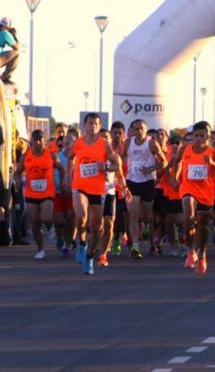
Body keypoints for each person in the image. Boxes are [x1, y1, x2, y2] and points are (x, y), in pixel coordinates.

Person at [67, 113, 120, 274]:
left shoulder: (104, 144)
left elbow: (116, 164)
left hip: (97, 188)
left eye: (96, 124)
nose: (93, 127)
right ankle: (82, 244)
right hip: (79, 186)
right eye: (90, 123)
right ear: (84, 125)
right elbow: (70, 157)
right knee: (81, 215)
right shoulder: (79, 143)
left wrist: (107, 167)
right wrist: (69, 175)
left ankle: (89, 257)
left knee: (96, 227)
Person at [172, 121, 215, 274]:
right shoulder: (185, 149)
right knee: (188, 211)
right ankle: (191, 251)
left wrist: (213, 165)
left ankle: (201, 254)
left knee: (203, 226)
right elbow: (177, 162)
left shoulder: (212, 153)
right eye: (196, 136)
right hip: (188, 189)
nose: (199, 139)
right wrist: (175, 177)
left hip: (206, 193)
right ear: (191, 136)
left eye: (203, 136)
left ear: (208, 137)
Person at [13, 129, 65, 259]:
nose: (37, 142)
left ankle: (50, 225)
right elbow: (17, 171)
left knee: (46, 217)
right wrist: (18, 182)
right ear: (31, 141)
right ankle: (41, 249)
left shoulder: (51, 155)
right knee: (34, 222)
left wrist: (63, 182)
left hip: (47, 192)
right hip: (31, 192)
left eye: (40, 139)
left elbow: (61, 169)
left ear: (44, 141)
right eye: (35, 139)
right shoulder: (26, 156)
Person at [121, 119, 167, 259]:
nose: (139, 131)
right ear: (132, 131)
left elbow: (164, 162)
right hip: (132, 181)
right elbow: (122, 159)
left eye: (141, 128)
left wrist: (151, 168)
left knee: (146, 216)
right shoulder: (128, 143)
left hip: (148, 182)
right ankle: (135, 245)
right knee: (133, 214)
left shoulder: (152, 143)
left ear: (145, 130)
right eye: (136, 129)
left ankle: (146, 225)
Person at [97, 129, 130, 267]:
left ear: (110, 141)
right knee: (97, 226)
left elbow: (120, 176)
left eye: (106, 138)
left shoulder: (115, 157)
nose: (104, 140)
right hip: (94, 193)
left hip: (109, 192)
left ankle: (103, 254)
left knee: (109, 223)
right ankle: (92, 246)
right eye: (101, 138)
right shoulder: (92, 155)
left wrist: (124, 188)